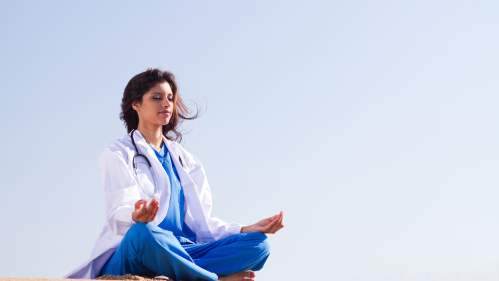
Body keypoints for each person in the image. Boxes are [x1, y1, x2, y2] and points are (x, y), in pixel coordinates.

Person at [64, 68, 284, 281]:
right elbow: (118, 209)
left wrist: (247, 228)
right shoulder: (118, 153)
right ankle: (214, 279)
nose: (167, 103)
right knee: (144, 233)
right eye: (157, 97)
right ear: (136, 104)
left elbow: (203, 224)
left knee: (258, 244)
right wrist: (136, 215)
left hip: (182, 251)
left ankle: (182, 272)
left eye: (170, 97)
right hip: (137, 252)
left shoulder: (187, 161)